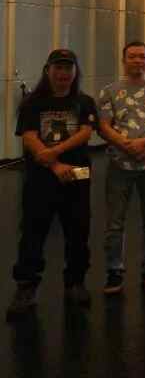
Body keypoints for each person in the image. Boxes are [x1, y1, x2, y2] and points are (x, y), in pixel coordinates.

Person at [7, 49, 97, 320]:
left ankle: (75, 282)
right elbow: (29, 137)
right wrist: (55, 165)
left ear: (75, 72)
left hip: (78, 175)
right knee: (33, 232)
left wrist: (54, 152)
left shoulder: (85, 102)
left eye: (68, 68)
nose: (63, 73)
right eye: (58, 68)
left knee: (78, 230)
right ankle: (26, 287)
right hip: (41, 178)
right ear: (48, 70)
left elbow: (85, 133)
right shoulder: (32, 103)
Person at [97, 40, 145, 295]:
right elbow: (104, 125)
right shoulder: (110, 91)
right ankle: (114, 271)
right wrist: (125, 144)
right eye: (132, 56)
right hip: (119, 164)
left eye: (142, 56)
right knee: (114, 222)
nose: (138, 61)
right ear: (124, 60)